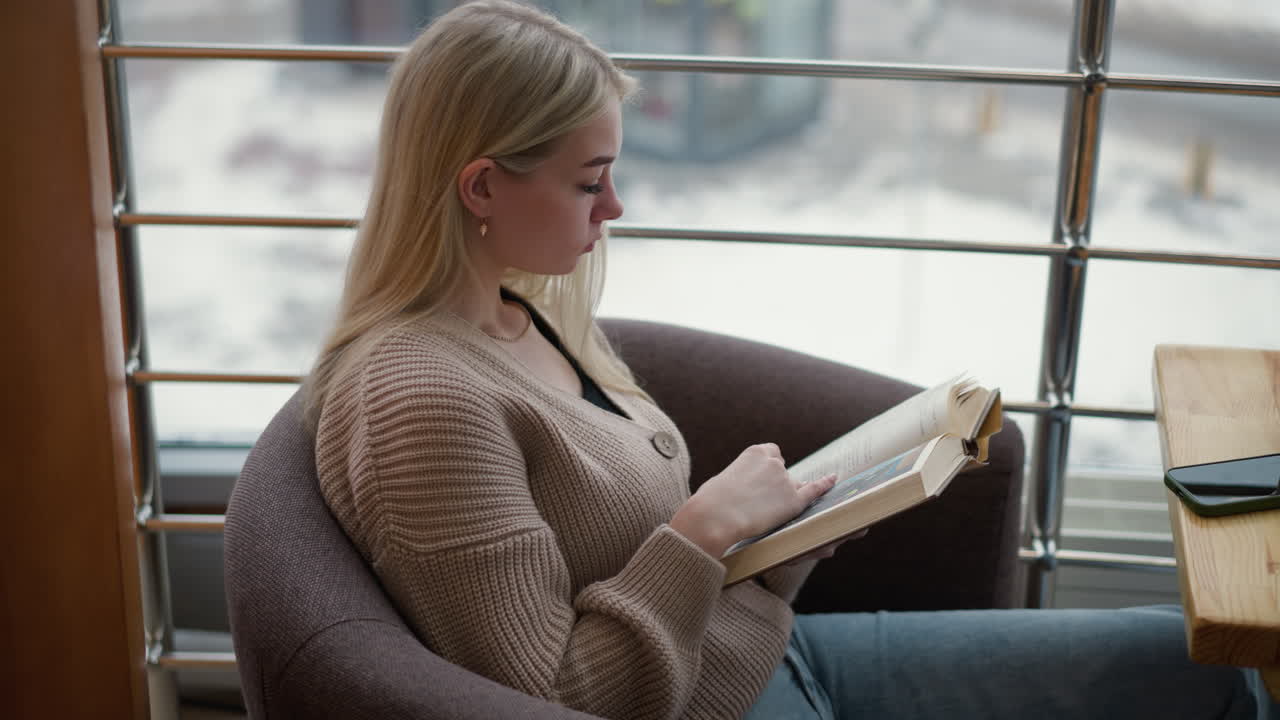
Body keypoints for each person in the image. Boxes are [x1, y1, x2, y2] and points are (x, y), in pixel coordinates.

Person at [303, 2, 1277, 718]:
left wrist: (776, 547)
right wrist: (695, 537)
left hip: (764, 654)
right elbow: (556, 696)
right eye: (588, 182)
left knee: (1204, 668)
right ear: (480, 186)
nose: (615, 210)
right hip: (734, 699)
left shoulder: (521, 313)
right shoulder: (419, 404)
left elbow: (631, 562)